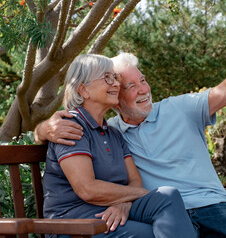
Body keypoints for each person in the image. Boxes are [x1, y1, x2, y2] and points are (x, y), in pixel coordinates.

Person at [36, 35, 226, 237]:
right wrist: (42, 129)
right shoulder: (111, 129)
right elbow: (85, 178)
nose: (143, 89)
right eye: (129, 85)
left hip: (210, 206)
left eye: (143, 80)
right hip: (163, 215)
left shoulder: (179, 109)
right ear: (116, 98)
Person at [42, 54, 196, 238]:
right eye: (107, 78)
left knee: (167, 196)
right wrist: (139, 194)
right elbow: (87, 189)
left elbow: (135, 180)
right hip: (75, 223)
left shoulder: (113, 132)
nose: (115, 84)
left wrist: (124, 203)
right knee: (155, 233)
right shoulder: (71, 127)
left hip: (108, 212)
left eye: (114, 77)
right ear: (83, 90)